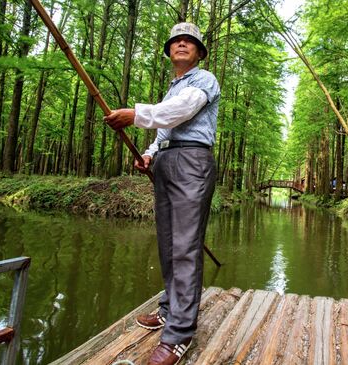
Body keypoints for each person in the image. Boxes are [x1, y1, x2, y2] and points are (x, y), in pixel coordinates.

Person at [104, 22, 219, 365]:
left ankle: (179, 335)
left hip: (192, 163)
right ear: (169, 50)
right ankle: (170, 310)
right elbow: (166, 127)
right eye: (176, 41)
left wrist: (137, 114)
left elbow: (181, 111)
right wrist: (151, 154)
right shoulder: (171, 89)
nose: (182, 44)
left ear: (198, 52)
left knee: (185, 247)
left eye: (190, 41)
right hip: (167, 163)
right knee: (168, 244)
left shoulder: (204, 80)